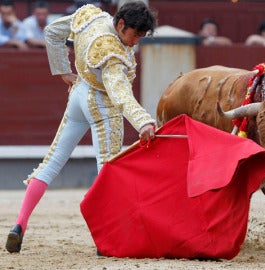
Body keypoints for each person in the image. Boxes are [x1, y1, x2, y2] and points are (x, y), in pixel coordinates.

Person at [5, 1, 157, 253]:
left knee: (50, 162)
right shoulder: (113, 53)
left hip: (78, 93)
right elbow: (119, 94)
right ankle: (106, 238)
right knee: (108, 170)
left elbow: (52, 33)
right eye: (135, 34)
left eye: (141, 36)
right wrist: (143, 121)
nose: (136, 42)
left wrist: (64, 71)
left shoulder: (91, 15)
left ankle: (19, 224)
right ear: (121, 24)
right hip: (103, 105)